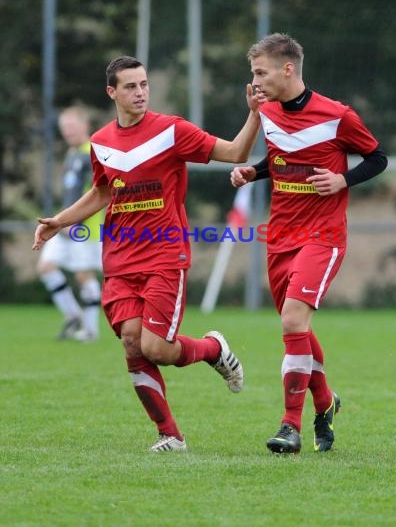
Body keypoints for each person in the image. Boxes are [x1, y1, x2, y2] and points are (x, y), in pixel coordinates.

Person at [33, 55, 261, 452]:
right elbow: (103, 191)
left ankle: (212, 348)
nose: (140, 93)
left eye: (144, 85)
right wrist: (60, 221)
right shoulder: (101, 141)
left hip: (164, 255)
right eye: (130, 86)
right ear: (112, 92)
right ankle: (170, 435)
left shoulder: (172, 131)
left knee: (156, 347)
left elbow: (236, 152)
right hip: (119, 259)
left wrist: (255, 114)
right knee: (132, 345)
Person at [231, 33, 387, 454]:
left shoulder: (337, 115)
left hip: (322, 236)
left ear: (288, 68)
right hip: (279, 236)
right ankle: (325, 403)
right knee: (298, 327)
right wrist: (253, 172)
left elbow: (377, 157)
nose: (255, 81)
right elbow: (282, 157)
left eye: (260, 72)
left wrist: (342, 179)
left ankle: (289, 426)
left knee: (292, 323)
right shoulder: (267, 112)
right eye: (253, 73)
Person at [37, 106, 103, 342]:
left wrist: (76, 220)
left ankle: (91, 330)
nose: (68, 131)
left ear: (85, 126)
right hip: (64, 223)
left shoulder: (91, 153)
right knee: (46, 266)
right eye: (64, 127)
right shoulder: (72, 154)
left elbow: (96, 192)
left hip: (84, 227)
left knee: (84, 275)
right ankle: (74, 315)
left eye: (72, 126)